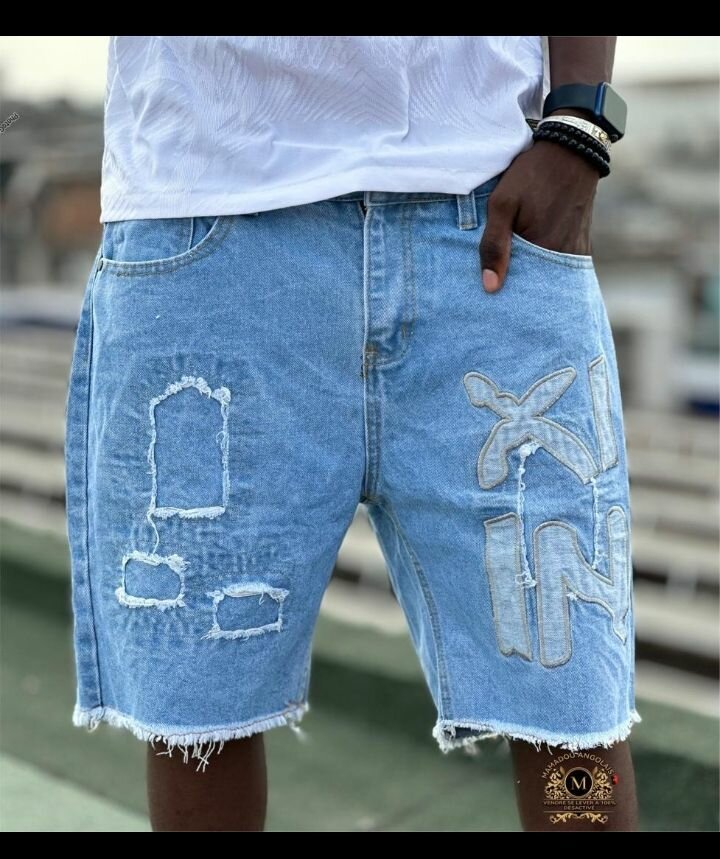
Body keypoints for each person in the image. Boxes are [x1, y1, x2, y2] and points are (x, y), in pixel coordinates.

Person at [64, 36, 640, 832]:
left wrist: (580, 121)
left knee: (573, 709)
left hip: (490, 218)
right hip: (208, 207)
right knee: (200, 714)